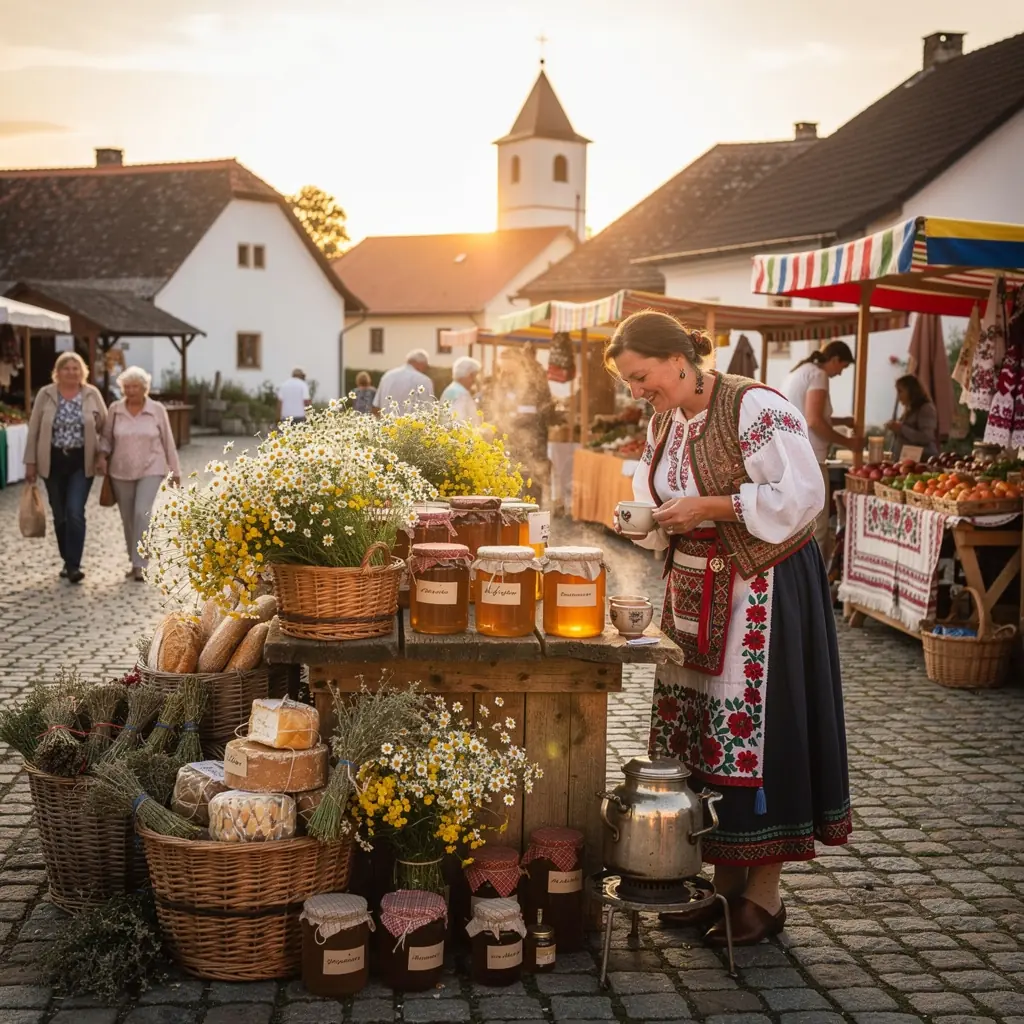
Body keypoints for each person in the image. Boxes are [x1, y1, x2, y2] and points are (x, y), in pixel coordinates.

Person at [607, 310, 850, 947]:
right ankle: (721, 888)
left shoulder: (754, 406)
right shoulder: (664, 421)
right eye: (629, 382)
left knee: (756, 739)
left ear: (678, 359)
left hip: (762, 589)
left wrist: (710, 507)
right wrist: (650, 520)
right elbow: (659, 496)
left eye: (641, 376)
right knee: (701, 742)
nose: (637, 390)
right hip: (694, 593)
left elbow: (803, 493)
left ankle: (764, 899)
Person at [23, 351, 108, 583]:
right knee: (60, 514)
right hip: (52, 461)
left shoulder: (91, 394)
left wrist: (103, 455)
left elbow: (105, 427)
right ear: (57, 372)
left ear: (83, 371)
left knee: (74, 511)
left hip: (81, 461)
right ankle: (67, 560)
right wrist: (30, 463)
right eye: (66, 368)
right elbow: (34, 430)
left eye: (75, 368)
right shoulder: (46, 394)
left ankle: (73, 565)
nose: (71, 372)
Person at [96, 366, 181, 582]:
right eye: (127, 387)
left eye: (136, 386)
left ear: (145, 388)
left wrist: (175, 470)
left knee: (142, 513)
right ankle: (133, 558)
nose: (131, 390)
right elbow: (106, 438)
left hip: (151, 468)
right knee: (128, 519)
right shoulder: (115, 409)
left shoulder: (157, 410)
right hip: (120, 470)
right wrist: (101, 456)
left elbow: (168, 441)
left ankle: (140, 564)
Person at [782, 342, 860, 555]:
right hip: (810, 459)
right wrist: (848, 443)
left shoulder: (799, 372)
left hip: (790, 456)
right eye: (843, 366)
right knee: (817, 528)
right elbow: (814, 421)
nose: (841, 373)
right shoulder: (818, 375)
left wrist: (842, 421)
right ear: (834, 359)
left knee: (795, 525)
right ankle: (815, 574)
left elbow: (807, 415)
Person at [887, 374, 939, 460]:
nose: (898, 397)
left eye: (900, 391)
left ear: (911, 390)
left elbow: (926, 437)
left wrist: (901, 428)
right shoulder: (909, 409)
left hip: (922, 461)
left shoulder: (926, 408)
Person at [372, 349, 435, 414]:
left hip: (387, 420)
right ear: (421, 364)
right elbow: (428, 409)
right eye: (426, 366)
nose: (425, 369)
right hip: (410, 420)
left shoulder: (387, 376)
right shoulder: (423, 380)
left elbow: (376, 407)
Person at [440, 356, 481, 422]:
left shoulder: (453, 389)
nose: (474, 381)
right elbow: (459, 421)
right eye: (474, 376)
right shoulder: (460, 394)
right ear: (469, 375)